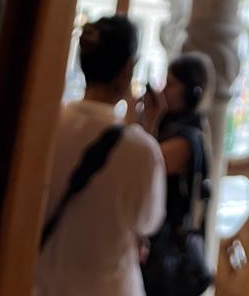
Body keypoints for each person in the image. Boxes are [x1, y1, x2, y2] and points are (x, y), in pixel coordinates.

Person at [35, 15, 165, 296]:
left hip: (43, 284)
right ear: (128, 69)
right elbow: (147, 221)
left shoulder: (44, 127)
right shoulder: (142, 150)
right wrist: (146, 131)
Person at [138, 53, 214, 296]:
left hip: (165, 250)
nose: (163, 91)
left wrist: (149, 119)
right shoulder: (173, 127)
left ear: (192, 92)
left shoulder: (185, 139)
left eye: (171, 84)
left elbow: (141, 168)